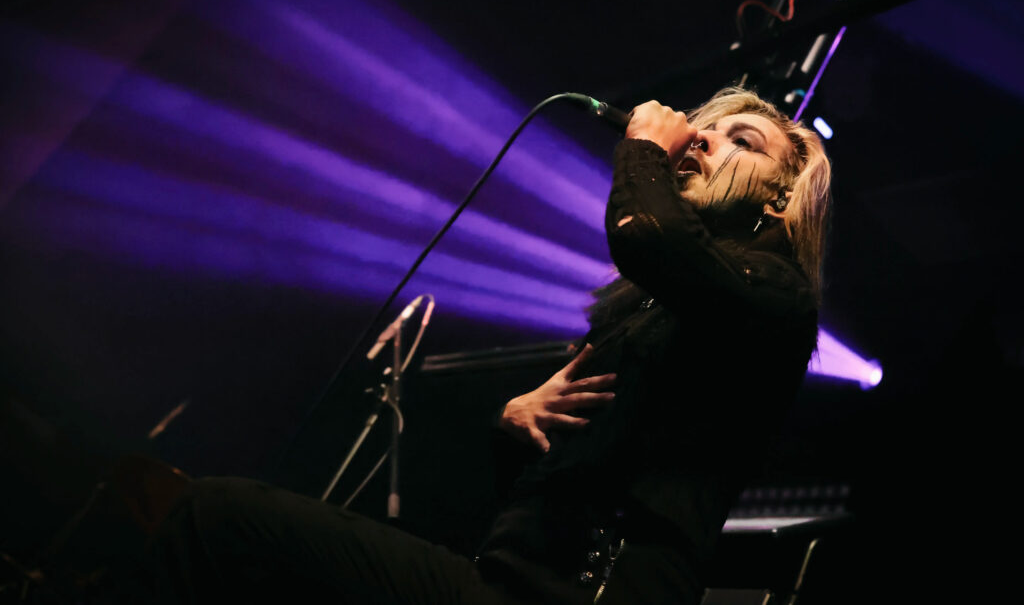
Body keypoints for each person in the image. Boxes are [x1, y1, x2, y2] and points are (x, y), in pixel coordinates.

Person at [143, 87, 831, 604]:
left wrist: (647, 149)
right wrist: (515, 424)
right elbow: (550, 491)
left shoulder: (777, 297)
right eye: (704, 128)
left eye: (740, 140)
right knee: (221, 525)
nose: (702, 139)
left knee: (220, 519)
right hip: (509, 580)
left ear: (779, 198)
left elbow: (651, 236)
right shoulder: (654, 305)